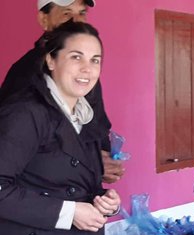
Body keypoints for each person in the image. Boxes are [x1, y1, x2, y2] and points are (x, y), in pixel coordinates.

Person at [0, 21, 121, 235]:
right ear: (51, 61)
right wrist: (70, 213)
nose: (87, 69)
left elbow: (73, 185)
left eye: (95, 60)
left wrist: (104, 201)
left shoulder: (86, 115)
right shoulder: (26, 113)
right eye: (76, 57)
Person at [0, 0, 125, 184]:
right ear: (44, 20)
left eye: (81, 13)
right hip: (41, 202)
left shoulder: (86, 72)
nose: (76, 21)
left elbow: (97, 124)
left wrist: (103, 159)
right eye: (66, 14)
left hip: (83, 196)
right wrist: (91, 165)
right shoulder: (24, 75)